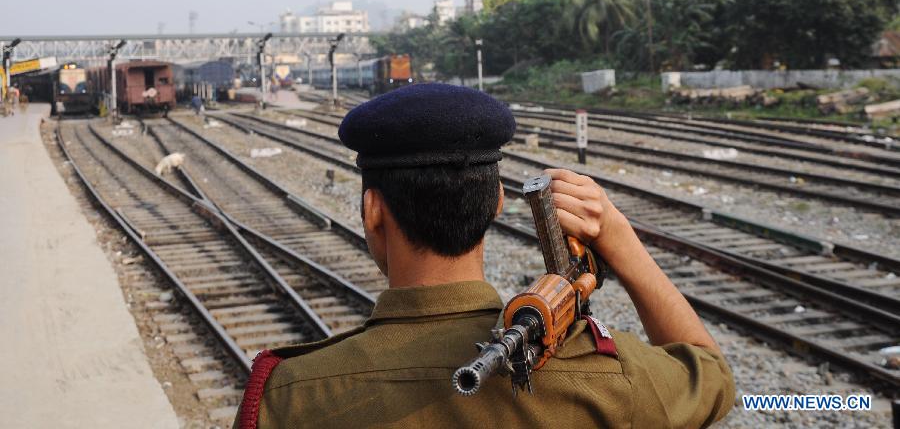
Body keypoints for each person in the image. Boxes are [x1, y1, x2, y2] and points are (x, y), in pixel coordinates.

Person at [234, 84, 735, 429]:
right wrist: (621, 242)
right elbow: (712, 375)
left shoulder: (288, 396)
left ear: (372, 212)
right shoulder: (611, 379)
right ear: (497, 203)